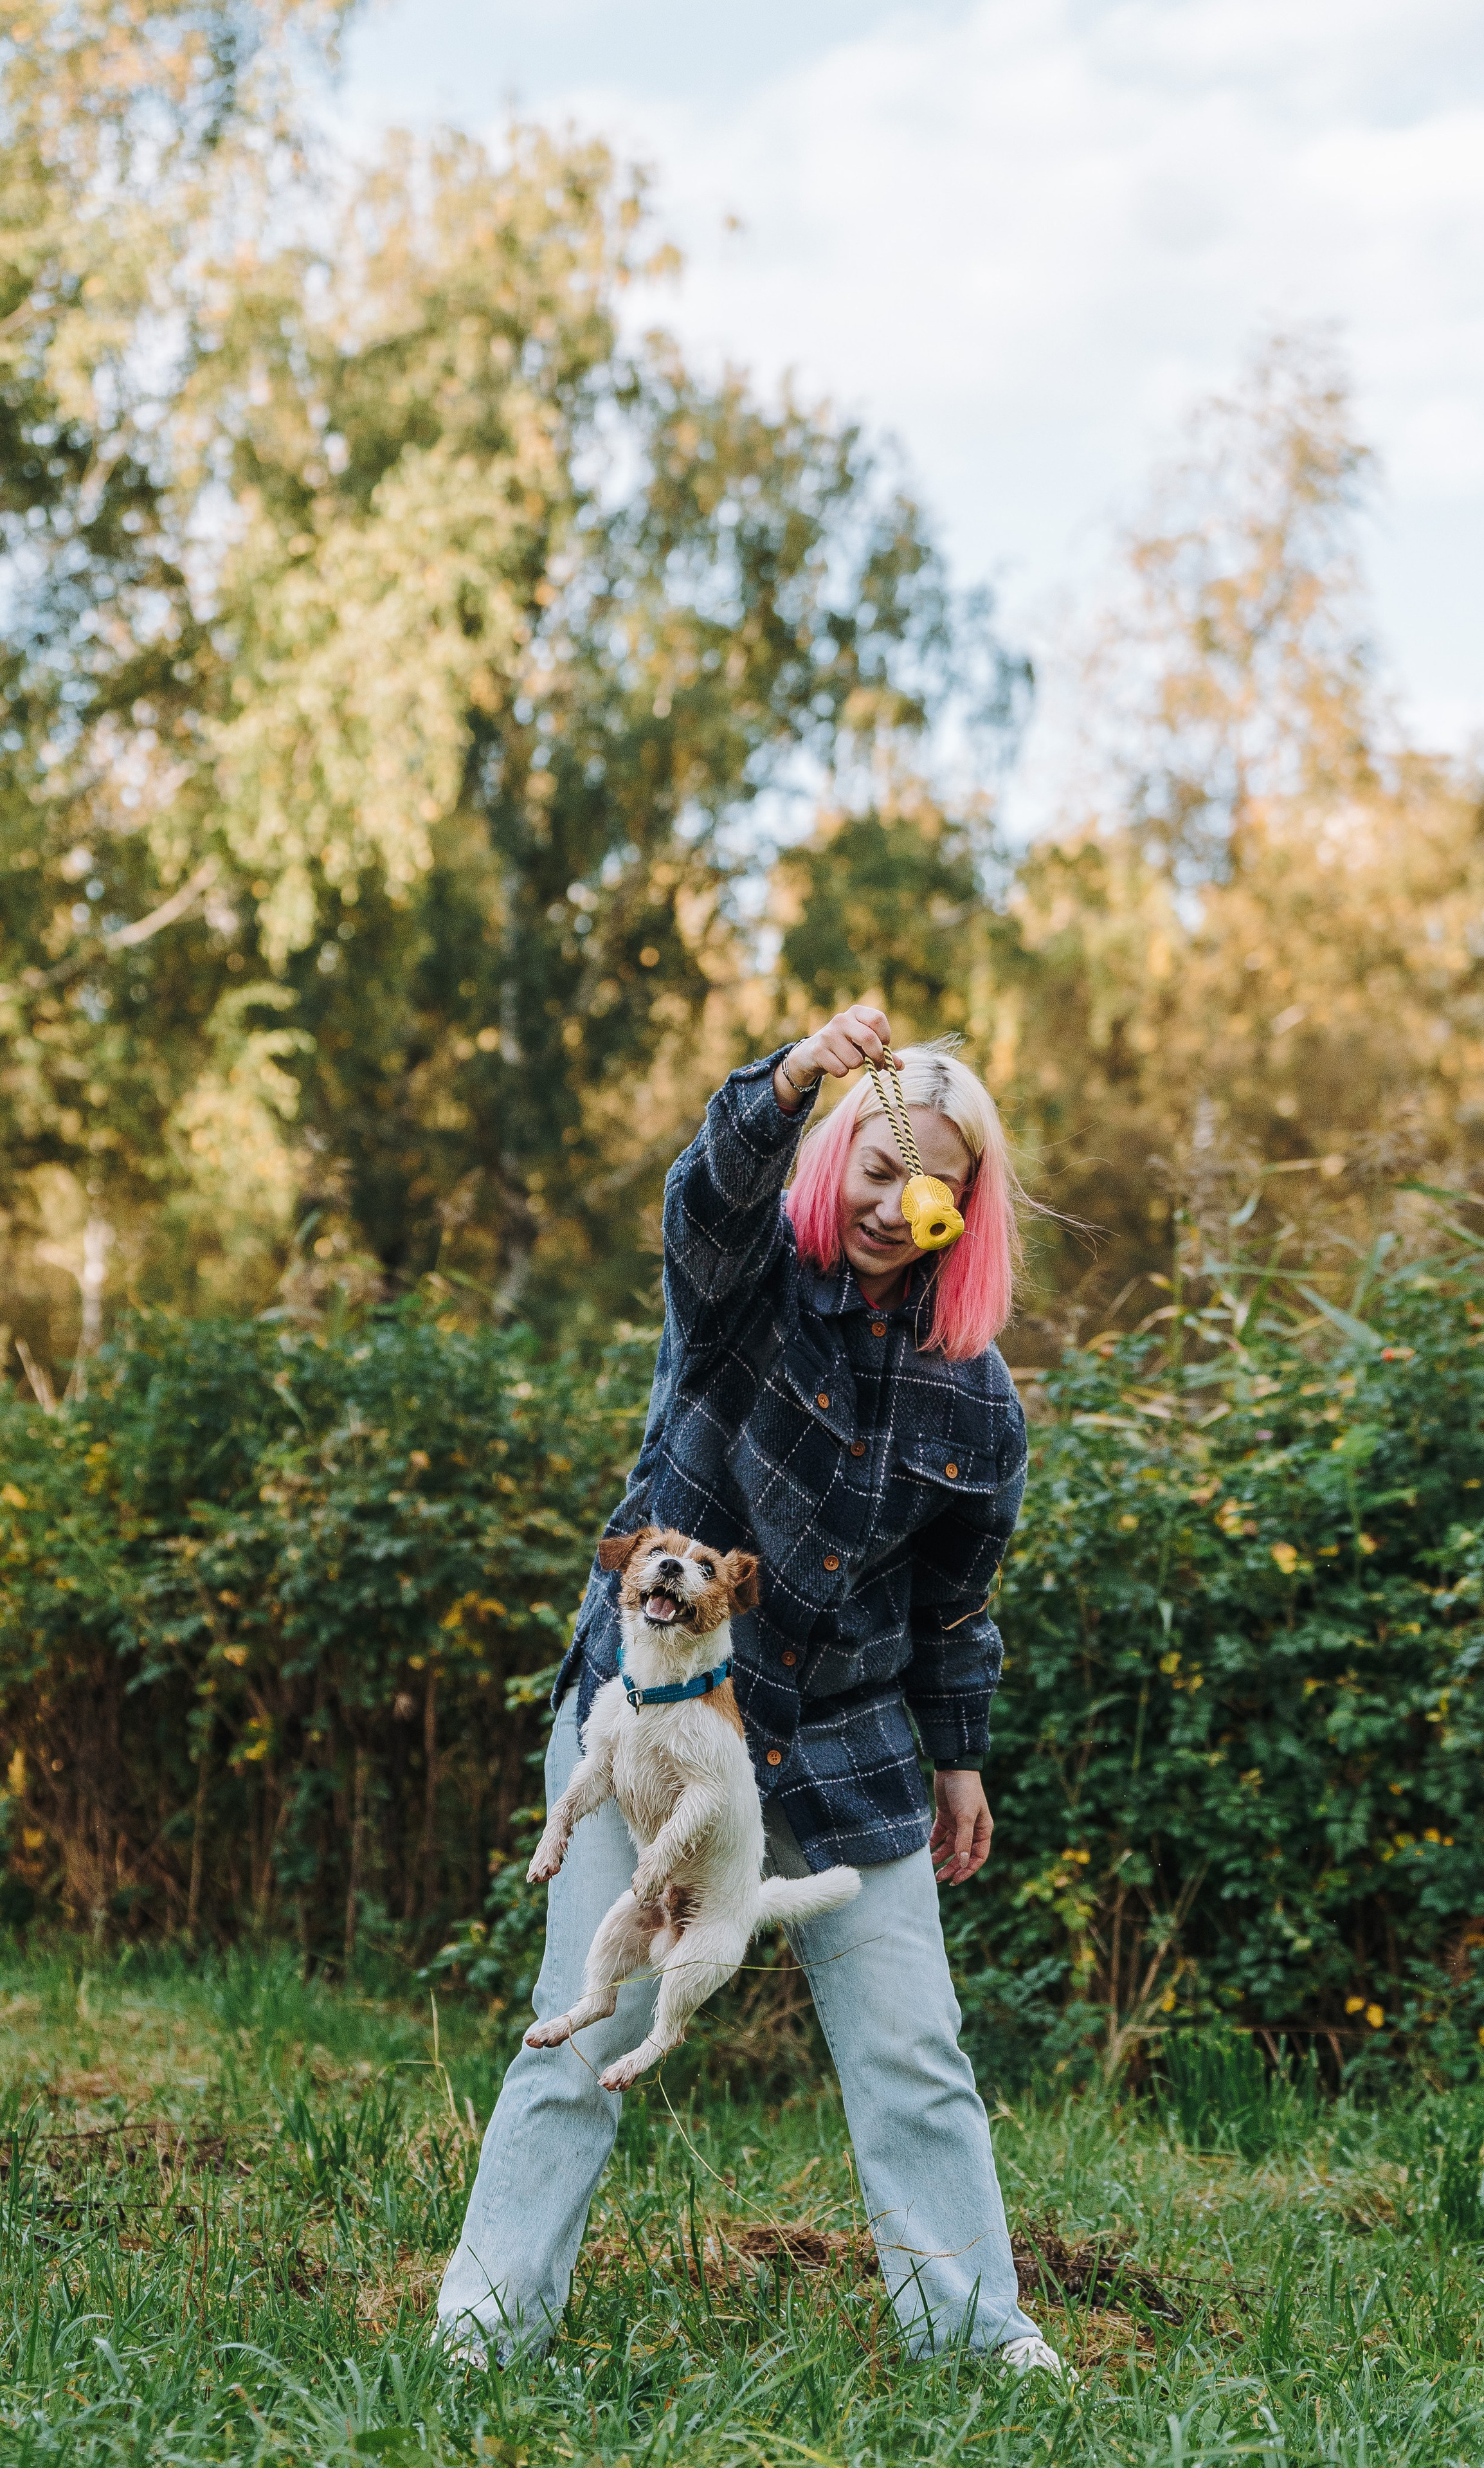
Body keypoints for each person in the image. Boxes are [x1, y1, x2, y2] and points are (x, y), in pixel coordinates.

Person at [439, 1004, 1065, 2377]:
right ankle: (483, 2331)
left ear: (963, 1204)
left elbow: (953, 1606)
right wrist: (792, 1073)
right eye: (879, 1164)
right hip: (652, 1723)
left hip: (842, 1747)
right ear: (837, 1149)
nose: (898, 1205)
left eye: (936, 1184)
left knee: (914, 2053)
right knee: (577, 2018)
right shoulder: (741, 1288)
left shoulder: (979, 1404)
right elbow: (704, 1188)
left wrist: (957, 1758)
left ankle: (976, 2335)